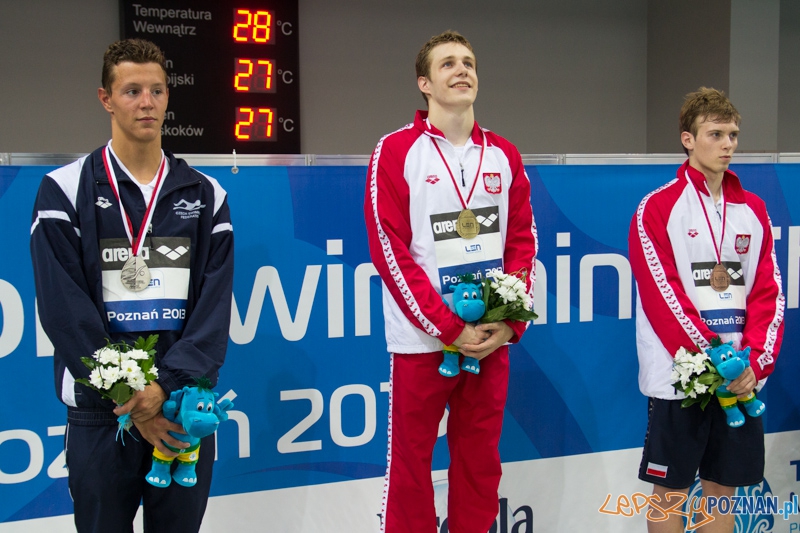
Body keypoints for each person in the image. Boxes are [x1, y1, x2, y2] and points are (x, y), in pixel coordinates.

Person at [30, 39, 234, 533]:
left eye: (157, 90)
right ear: (106, 98)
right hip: (101, 418)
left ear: (168, 97)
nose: (146, 102)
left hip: (182, 409)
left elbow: (212, 312)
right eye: (132, 91)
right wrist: (131, 396)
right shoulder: (63, 189)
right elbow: (64, 310)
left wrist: (163, 388)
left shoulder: (207, 195)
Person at [364, 30, 537, 533]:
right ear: (425, 83)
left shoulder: (503, 153)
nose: (462, 70)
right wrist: (447, 327)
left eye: (469, 62)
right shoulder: (396, 150)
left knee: (480, 461)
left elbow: (523, 243)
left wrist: (508, 325)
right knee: (411, 467)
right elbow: (389, 251)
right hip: (422, 342)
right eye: (447, 65)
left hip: (489, 339)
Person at [628, 87, 784, 533]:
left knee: (723, 487)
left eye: (733, 134)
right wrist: (710, 357)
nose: (728, 144)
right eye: (715, 134)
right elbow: (663, 295)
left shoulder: (752, 209)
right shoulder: (656, 208)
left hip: (741, 376)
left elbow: (767, 293)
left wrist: (753, 362)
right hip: (680, 376)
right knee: (671, 492)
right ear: (687, 139)